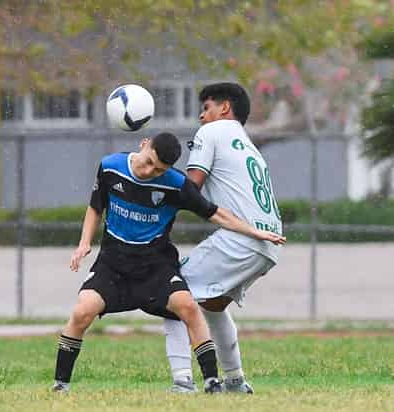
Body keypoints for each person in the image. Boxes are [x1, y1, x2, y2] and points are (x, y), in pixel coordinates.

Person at [52, 132, 285, 394]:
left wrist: (255, 233)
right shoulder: (110, 167)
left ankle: (211, 382)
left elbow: (215, 213)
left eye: (159, 169)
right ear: (144, 144)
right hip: (113, 266)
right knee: (82, 311)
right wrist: (84, 243)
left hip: (156, 267)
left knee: (187, 306)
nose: (150, 171)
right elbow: (95, 206)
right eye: (149, 162)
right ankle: (61, 385)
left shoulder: (175, 184)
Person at [164, 83, 284, 394]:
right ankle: (234, 381)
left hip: (241, 238)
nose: (202, 116)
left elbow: (192, 188)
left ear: (225, 108)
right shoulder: (246, 143)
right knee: (213, 305)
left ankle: (183, 382)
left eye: (206, 107)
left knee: (173, 293)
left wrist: (153, 181)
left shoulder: (213, 132)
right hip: (267, 242)